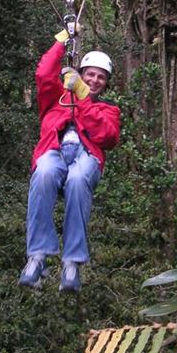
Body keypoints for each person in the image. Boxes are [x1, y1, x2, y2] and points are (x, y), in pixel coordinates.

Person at [18, 26, 121, 292]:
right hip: (54, 151)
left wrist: (84, 96)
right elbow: (43, 73)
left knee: (76, 180)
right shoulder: (57, 98)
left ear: (106, 83)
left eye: (101, 77)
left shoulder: (108, 110)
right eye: (90, 75)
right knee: (43, 173)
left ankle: (72, 262)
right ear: (81, 74)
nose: (95, 80)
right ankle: (38, 256)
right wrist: (63, 38)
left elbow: (108, 137)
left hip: (85, 157)